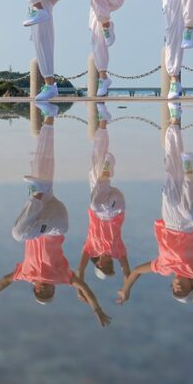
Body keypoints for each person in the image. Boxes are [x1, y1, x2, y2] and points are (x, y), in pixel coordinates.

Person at [116, 105, 193, 331]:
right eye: (183, 290)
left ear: (171, 284)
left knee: (171, 171)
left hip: (170, 219)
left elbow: (135, 272)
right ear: (192, 285)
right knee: (192, 187)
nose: (178, 288)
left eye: (175, 290)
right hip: (190, 223)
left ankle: (174, 120)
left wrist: (126, 289)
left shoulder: (162, 267)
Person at [0, 109, 111, 326]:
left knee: (41, 167)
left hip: (44, 213)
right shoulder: (61, 278)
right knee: (18, 234)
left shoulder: (24, 274)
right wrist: (97, 309)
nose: (43, 289)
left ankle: (49, 119)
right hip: (56, 225)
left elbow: (5, 281)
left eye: (39, 293)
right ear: (53, 288)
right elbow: (83, 287)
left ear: (34, 289)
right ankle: (38, 194)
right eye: (47, 292)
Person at [77, 113, 130, 283]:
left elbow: (80, 268)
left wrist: (80, 283)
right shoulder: (117, 251)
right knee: (95, 205)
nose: (109, 265)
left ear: (98, 264)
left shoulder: (90, 248)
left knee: (95, 165)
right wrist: (126, 288)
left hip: (101, 196)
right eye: (111, 267)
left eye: (105, 267)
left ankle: (103, 121)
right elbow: (127, 271)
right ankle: (107, 169)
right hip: (116, 206)